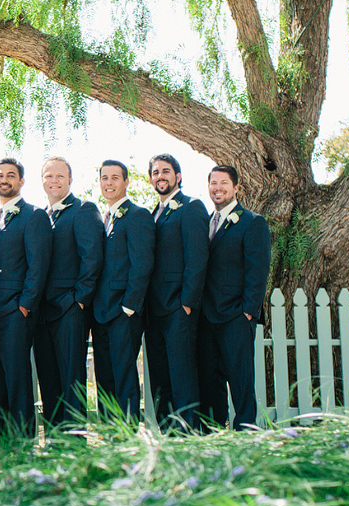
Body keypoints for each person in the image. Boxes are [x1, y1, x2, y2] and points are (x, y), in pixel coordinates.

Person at [0, 157, 51, 441]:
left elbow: (38, 266)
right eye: (0, 175)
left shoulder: (33, 215)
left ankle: (22, 442)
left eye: (10, 175)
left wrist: (24, 306)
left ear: (21, 181)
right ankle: (0, 441)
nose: (4, 180)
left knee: (17, 379)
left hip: (14, 313)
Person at [198, 164, 271, 430]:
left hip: (236, 318)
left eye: (224, 183)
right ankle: (214, 435)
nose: (218, 188)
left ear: (236, 187)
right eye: (213, 183)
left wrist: (248, 312)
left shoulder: (252, 222)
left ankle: (246, 434)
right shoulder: (204, 223)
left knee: (241, 383)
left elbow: (258, 270)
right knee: (210, 382)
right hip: (206, 317)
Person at [33, 156, 103, 425]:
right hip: (42, 312)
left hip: (70, 309)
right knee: (48, 379)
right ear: (42, 181)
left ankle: (74, 444)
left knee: (72, 379)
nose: (54, 180)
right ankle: (54, 443)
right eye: (49, 176)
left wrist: (79, 301)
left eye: (60, 176)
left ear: (70, 180)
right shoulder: (40, 216)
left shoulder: (83, 210)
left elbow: (92, 258)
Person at [144, 154, 210, 431]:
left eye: (166, 171)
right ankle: (167, 434)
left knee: (182, 375)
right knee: (160, 376)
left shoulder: (192, 207)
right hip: (153, 308)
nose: (161, 176)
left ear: (178, 176)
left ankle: (188, 434)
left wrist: (187, 303)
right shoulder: (152, 213)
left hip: (178, 307)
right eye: (156, 172)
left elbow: (197, 259)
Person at [91, 160, 155, 419]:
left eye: (115, 178)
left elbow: (142, 263)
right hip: (100, 311)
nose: (109, 183)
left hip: (123, 311)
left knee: (124, 374)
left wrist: (130, 305)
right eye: (105, 178)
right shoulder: (102, 217)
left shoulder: (137, 215)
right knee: (104, 375)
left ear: (126, 182)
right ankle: (108, 430)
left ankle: (126, 433)